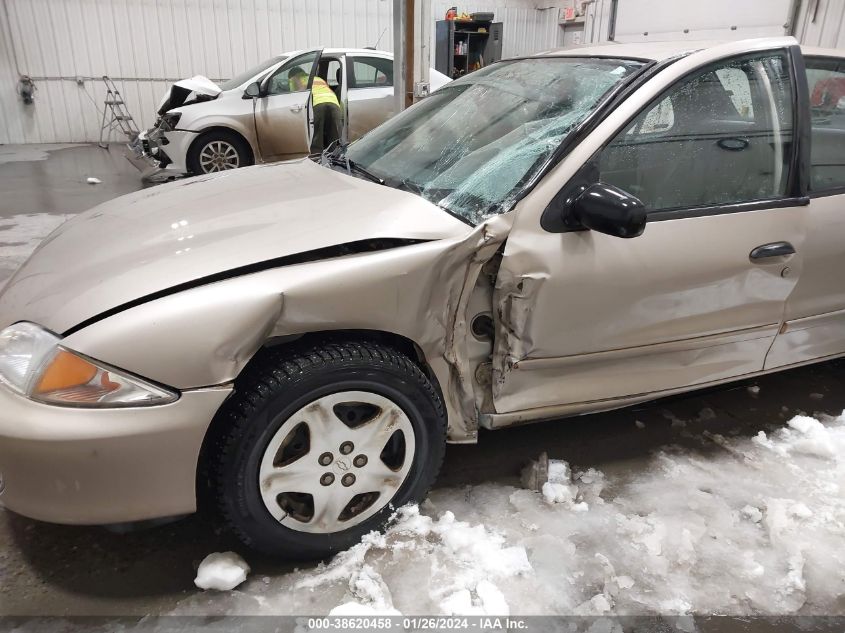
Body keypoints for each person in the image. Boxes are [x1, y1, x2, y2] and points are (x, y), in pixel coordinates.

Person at [288, 67, 341, 154]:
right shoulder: (317, 78)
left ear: (291, 76)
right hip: (334, 104)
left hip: (318, 104)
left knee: (317, 138)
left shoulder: (295, 79)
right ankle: (335, 160)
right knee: (334, 138)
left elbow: (295, 95)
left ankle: (316, 160)